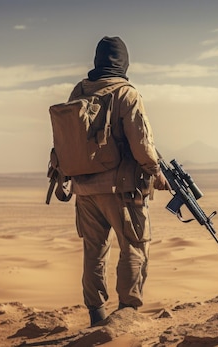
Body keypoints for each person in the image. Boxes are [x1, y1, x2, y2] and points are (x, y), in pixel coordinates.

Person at [67, 36, 168, 327]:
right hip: (121, 189)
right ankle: (126, 314)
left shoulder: (79, 90)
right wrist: (155, 171)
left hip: (84, 188)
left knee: (94, 251)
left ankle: (96, 315)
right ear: (124, 62)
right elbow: (141, 143)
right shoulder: (127, 94)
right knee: (135, 247)